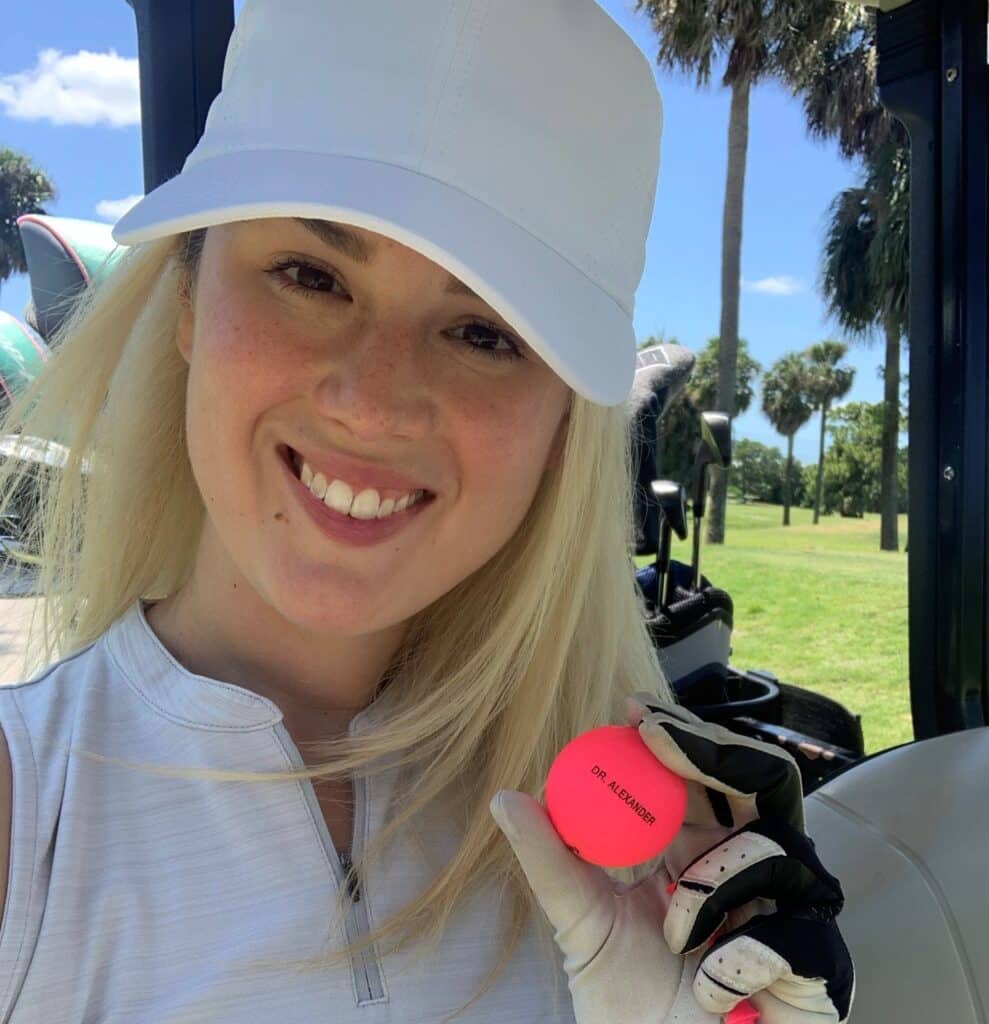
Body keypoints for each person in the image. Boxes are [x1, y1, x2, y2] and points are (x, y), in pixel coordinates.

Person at [0, 1, 853, 1021]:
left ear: (561, 426)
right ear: (188, 299)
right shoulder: (24, 812)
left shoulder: (640, 860)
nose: (372, 398)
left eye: (484, 333)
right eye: (309, 275)